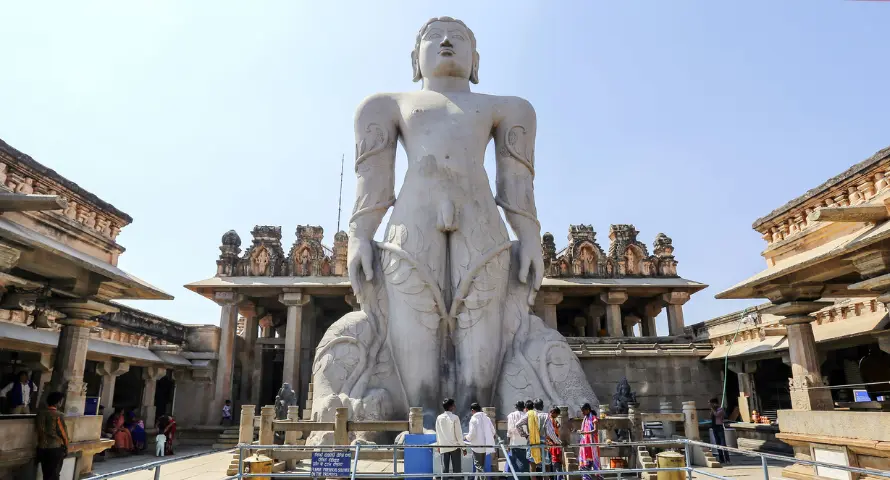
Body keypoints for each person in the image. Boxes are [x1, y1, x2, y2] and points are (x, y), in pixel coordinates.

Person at [35, 391, 69, 480]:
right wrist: (66, 446)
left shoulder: (40, 413)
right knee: (54, 475)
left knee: (46, 474)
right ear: (58, 402)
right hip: (55, 448)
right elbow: (63, 433)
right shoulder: (58, 415)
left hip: (42, 447)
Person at [434, 398, 464, 479]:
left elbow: (438, 433)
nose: (455, 406)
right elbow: (459, 434)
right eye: (453, 405)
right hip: (455, 447)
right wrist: (463, 447)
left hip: (443, 447)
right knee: (457, 470)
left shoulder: (439, 418)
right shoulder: (455, 418)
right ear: (451, 407)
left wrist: (438, 446)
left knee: (444, 470)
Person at [465, 403, 496, 480]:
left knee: (478, 466)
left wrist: (466, 437)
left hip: (476, 447)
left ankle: (483, 479)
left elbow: (472, 434)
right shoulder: (487, 418)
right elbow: (493, 431)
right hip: (486, 446)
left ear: (472, 410)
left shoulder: (473, 419)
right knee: (481, 465)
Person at [516, 400, 542, 480]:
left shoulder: (528, 415)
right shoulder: (540, 414)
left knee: (532, 465)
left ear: (526, 408)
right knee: (544, 466)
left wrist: (525, 435)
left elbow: (518, 425)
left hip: (531, 441)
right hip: (542, 441)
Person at [576, 403, 602, 480]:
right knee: (585, 460)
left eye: (583, 411)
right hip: (585, 443)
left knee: (592, 458)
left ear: (588, 410)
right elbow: (584, 429)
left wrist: (584, 432)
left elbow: (595, 430)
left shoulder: (593, 418)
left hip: (592, 443)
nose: (582, 413)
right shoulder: (585, 419)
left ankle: (597, 476)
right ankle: (586, 477)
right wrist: (580, 431)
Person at [506, 400, 529, 474]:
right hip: (524, 443)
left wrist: (508, 444)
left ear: (516, 407)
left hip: (514, 443)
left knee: (514, 464)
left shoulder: (511, 415)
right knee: (523, 463)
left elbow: (509, 431)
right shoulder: (526, 415)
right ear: (524, 407)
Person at [544, 407, 562, 480]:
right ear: (554, 413)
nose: (557, 416)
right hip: (552, 443)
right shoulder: (550, 420)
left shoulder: (552, 420)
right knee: (553, 463)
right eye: (557, 414)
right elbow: (551, 433)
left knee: (551, 464)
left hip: (552, 443)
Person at [709, 398, 729, 464]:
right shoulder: (713, 410)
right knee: (718, 443)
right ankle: (721, 459)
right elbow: (711, 416)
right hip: (714, 427)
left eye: (711, 403)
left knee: (723, 444)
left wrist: (713, 409)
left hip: (719, 427)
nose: (710, 405)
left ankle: (727, 459)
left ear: (715, 403)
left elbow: (717, 415)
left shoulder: (720, 409)